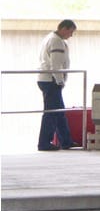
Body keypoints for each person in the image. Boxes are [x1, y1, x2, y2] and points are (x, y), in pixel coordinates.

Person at [37, 19, 77, 151]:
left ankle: (66, 140)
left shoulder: (50, 37)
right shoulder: (56, 41)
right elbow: (56, 64)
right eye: (70, 32)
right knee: (52, 112)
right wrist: (60, 81)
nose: (70, 36)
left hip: (47, 79)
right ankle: (44, 143)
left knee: (59, 111)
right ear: (64, 28)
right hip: (51, 80)